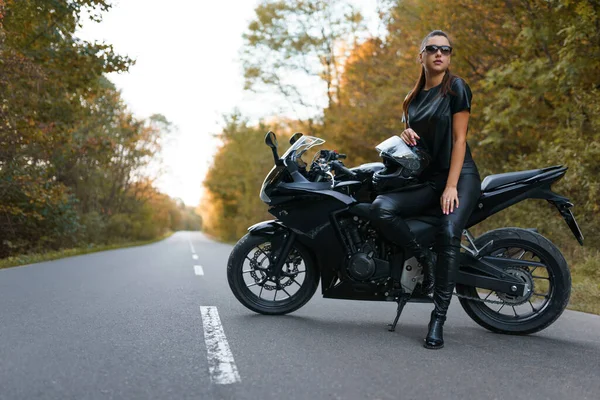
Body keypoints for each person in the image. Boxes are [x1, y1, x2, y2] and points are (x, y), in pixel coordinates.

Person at [370, 30, 481, 349]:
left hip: (460, 176)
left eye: (446, 50)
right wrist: (405, 133)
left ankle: (438, 319)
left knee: (449, 234)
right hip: (428, 180)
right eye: (432, 49)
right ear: (421, 55)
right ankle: (425, 259)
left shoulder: (456, 88)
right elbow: (418, 146)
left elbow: (459, 140)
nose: (439, 54)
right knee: (381, 208)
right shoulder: (411, 100)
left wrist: (451, 186)